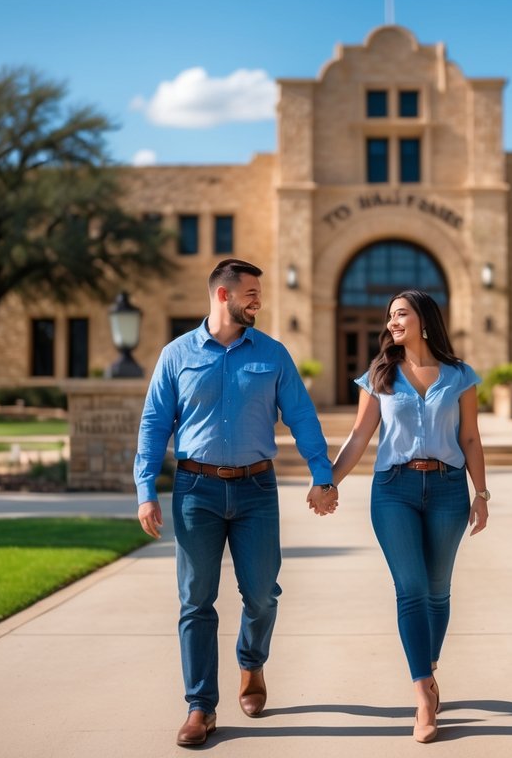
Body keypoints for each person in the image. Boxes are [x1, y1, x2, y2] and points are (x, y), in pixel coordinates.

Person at [134, 258, 339, 748]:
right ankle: (200, 706)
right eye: (250, 293)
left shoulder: (272, 354)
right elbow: (153, 426)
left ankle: (251, 663)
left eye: (259, 294)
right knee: (196, 602)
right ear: (222, 295)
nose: (258, 302)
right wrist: (145, 490)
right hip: (195, 491)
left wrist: (322, 474)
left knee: (263, 594)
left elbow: (303, 418)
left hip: (256, 491)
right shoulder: (176, 355)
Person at [328, 289, 490, 743]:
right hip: (393, 490)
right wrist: (330, 481)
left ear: (423, 319)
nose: (393, 322)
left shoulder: (459, 376)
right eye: (390, 316)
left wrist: (482, 493)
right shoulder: (379, 374)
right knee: (412, 590)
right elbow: (360, 436)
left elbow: (471, 439)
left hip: (446, 490)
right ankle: (423, 695)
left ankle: (428, 665)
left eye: (401, 314)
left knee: (438, 591)